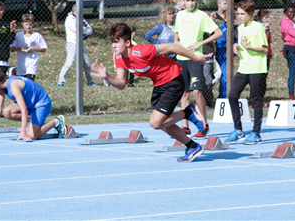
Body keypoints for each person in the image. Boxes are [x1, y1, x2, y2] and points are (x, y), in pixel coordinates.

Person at [91, 23, 213, 162]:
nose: (113, 45)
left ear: (127, 42)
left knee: (155, 123)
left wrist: (195, 58)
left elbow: (172, 47)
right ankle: (192, 146)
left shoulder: (142, 51)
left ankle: (189, 112)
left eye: (117, 42)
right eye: (112, 42)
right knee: (161, 124)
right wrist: (107, 77)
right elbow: (121, 84)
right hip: (159, 85)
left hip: (173, 81)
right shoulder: (119, 57)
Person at [174, 0, 223, 139]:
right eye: (187, 0)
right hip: (181, 58)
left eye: (193, 0)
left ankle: (204, 123)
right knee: (184, 93)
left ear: (197, 0)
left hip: (195, 58)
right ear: (183, 1)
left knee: (197, 92)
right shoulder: (180, 15)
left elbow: (219, 32)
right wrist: (177, 43)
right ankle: (185, 126)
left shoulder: (201, 15)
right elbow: (176, 35)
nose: (190, 3)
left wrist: (199, 43)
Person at [0, 66, 67, 141]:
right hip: (30, 104)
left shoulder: (13, 85)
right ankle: (35, 121)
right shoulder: (1, 87)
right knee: (7, 112)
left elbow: (23, 109)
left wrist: (23, 132)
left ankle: (56, 121)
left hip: (41, 104)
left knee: (31, 136)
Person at [225, 0, 268, 145]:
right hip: (243, 67)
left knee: (255, 100)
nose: (240, 16)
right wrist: (236, 46)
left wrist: (249, 48)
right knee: (232, 96)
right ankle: (238, 131)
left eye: (242, 14)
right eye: (238, 14)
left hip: (256, 68)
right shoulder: (241, 27)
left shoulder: (258, 27)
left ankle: (256, 134)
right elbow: (241, 43)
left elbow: (265, 49)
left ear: (250, 14)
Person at [58, 4, 96, 88]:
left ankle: (90, 81)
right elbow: (77, 29)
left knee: (87, 63)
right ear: (74, 11)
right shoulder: (69, 19)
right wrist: (84, 29)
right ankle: (60, 82)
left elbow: (90, 30)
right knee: (69, 62)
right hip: (73, 43)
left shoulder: (82, 19)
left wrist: (83, 29)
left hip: (81, 43)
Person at [10, 14, 47, 81]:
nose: (28, 27)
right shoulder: (18, 35)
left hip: (32, 66)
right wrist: (20, 48)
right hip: (21, 66)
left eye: (30, 24)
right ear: (22, 24)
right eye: (26, 24)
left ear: (33, 24)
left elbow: (44, 48)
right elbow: (12, 48)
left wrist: (34, 49)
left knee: (30, 83)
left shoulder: (37, 35)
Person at [215, 21, 238, 99]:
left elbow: (239, 40)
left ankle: (224, 96)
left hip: (230, 57)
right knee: (225, 77)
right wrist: (230, 43)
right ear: (225, 18)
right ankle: (223, 97)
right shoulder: (221, 29)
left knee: (226, 78)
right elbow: (220, 42)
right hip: (222, 57)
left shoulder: (236, 29)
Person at [256, 9, 272, 106]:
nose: (267, 19)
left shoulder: (267, 27)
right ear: (261, 18)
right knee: (259, 79)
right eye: (266, 17)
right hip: (260, 56)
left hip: (267, 56)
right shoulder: (258, 27)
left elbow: (269, 41)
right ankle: (256, 99)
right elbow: (262, 41)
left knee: (264, 79)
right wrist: (265, 30)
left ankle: (261, 99)